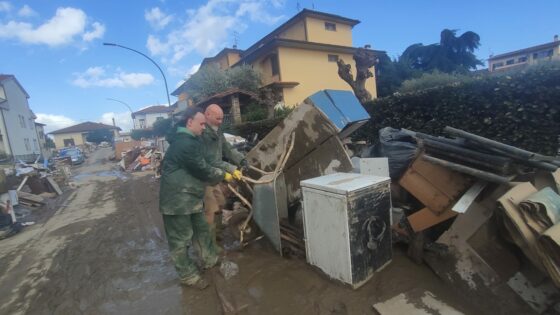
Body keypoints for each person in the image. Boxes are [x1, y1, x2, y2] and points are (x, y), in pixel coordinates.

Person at [159, 107, 234, 289]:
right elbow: (203, 169)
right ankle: (188, 276)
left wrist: (226, 169)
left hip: (190, 198)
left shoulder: (190, 140)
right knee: (180, 240)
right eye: (201, 124)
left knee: (201, 230)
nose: (203, 127)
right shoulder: (185, 143)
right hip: (177, 202)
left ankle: (209, 258)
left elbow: (207, 161)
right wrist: (224, 174)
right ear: (189, 122)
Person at [200, 104, 246, 237]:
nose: (220, 122)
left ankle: (217, 233)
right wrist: (231, 170)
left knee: (221, 204)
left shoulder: (218, 131)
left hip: (215, 176)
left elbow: (228, 149)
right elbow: (211, 160)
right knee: (211, 209)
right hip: (205, 177)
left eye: (221, 119)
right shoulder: (203, 133)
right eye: (218, 119)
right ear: (207, 115)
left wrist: (242, 160)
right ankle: (209, 241)